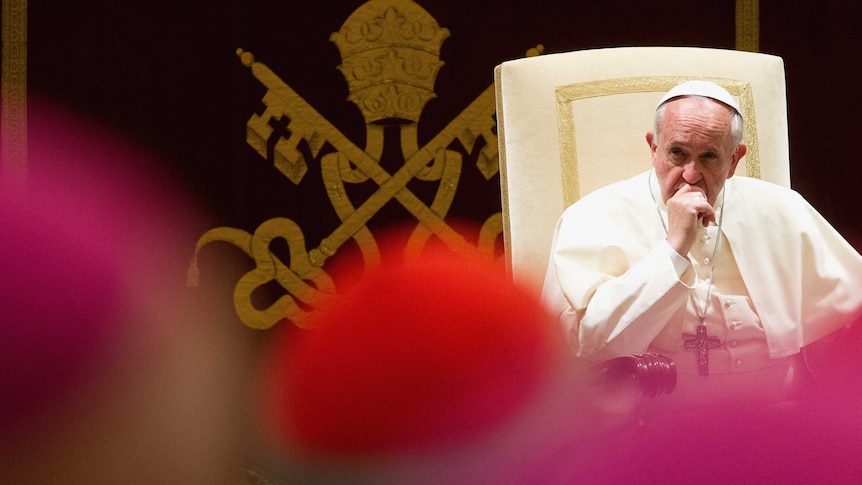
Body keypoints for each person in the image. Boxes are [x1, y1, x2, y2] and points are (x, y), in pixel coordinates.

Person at [541, 80, 862, 409]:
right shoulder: (594, 216)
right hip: (645, 430)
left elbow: (851, 310)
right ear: (653, 148)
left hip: (778, 420)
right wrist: (674, 248)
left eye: (709, 157)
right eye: (677, 153)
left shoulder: (782, 209)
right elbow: (594, 347)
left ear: (734, 160)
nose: (691, 175)